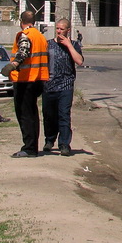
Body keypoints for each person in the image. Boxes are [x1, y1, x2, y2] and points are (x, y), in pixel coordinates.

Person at [7, 11, 49, 158]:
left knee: (25, 114)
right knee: (32, 113)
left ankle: (29, 148)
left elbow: (23, 51)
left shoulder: (25, 35)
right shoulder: (40, 36)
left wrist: (13, 64)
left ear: (21, 21)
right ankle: (32, 146)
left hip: (25, 80)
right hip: (39, 78)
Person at [43, 18, 84, 156]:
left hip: (66, 85)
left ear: (68, 30)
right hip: (49, 85)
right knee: (49, 115)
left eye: (62, 29)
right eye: (58, 28)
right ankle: (49, 140)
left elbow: (79, 61)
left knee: (64, 115)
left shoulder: (73, 44)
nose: (59, 31)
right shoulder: (48, 44)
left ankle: (64, 144)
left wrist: (69, 45)